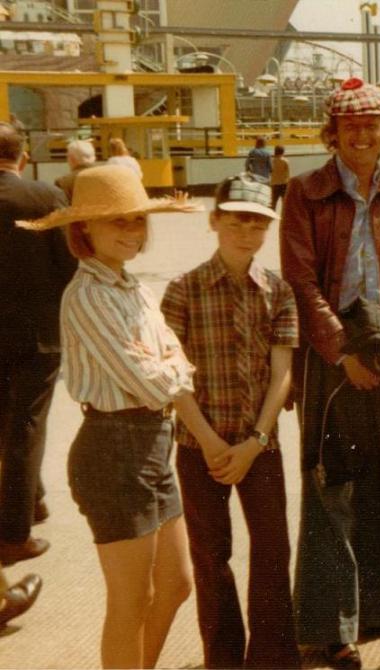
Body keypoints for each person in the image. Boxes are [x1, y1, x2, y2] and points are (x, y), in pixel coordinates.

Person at [18, 164, 201, 668]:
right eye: (116, 221)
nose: (130, 230)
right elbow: (154, 378)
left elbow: (175, 359)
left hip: (152, 444)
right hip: (113, 450)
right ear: (84, 230)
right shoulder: (87, 294)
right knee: (131, 599)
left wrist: (167, 365)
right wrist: (167, 366)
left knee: (177, 583)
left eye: (137, 221)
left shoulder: (131, 287)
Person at [280, 77, 380, 669]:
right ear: (333, 133)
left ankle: (372, 610)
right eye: (350, 126)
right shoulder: (304, 192)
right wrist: (344, 352)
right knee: (328, 487)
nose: (362, 135)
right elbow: (300, 279)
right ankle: (327, 628)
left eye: (372, 125)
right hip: (328, 363)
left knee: (377, 488)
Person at [161, 173, 301, 669]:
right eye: (237, 221)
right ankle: (221, 659)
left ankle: (270, 658)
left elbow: (282, 372)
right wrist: (209, 439)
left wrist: (255, 441)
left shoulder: (278, 291)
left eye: (258, 224)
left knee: (270, 553)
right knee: (210, 557)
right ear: (214, 221)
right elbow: (173, 377)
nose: (247, 232)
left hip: (259, 445)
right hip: (200, 444)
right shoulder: (182, 291)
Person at [0, 122, 75, 566]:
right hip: (38, 336)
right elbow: (69, 267)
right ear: (23, 157)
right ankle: (13, 533)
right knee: (27, 426)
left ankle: (31, 500)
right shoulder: (46, 198)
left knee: (5, 423)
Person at [270, 144, 290, 209]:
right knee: (285, 203)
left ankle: (272, 217)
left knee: (273, 203)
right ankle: (283, 217)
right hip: (283, 184)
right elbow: (287, 174)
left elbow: (270, 172)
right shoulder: (285, 161)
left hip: (274, 184)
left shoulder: (272, 161)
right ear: (283, 152)